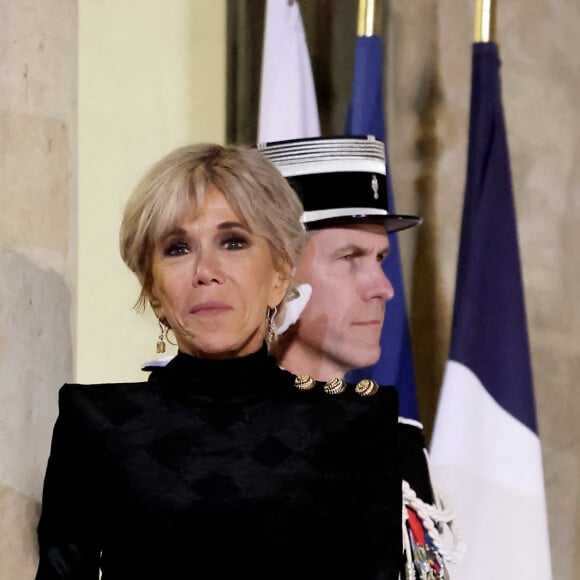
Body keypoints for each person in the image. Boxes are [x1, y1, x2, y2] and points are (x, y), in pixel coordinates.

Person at [36, 142, 406, 579]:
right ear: (153, 291)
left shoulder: (356, 421)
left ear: (280, 276)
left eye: (233, 242)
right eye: (177, 248)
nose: (205, 270)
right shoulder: (95, 422)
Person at [258, 135, 464, 578]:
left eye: (381, 258)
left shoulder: (396, 445)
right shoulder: (207, 437)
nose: (384, 287)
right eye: (350, 256)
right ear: (275, 274)